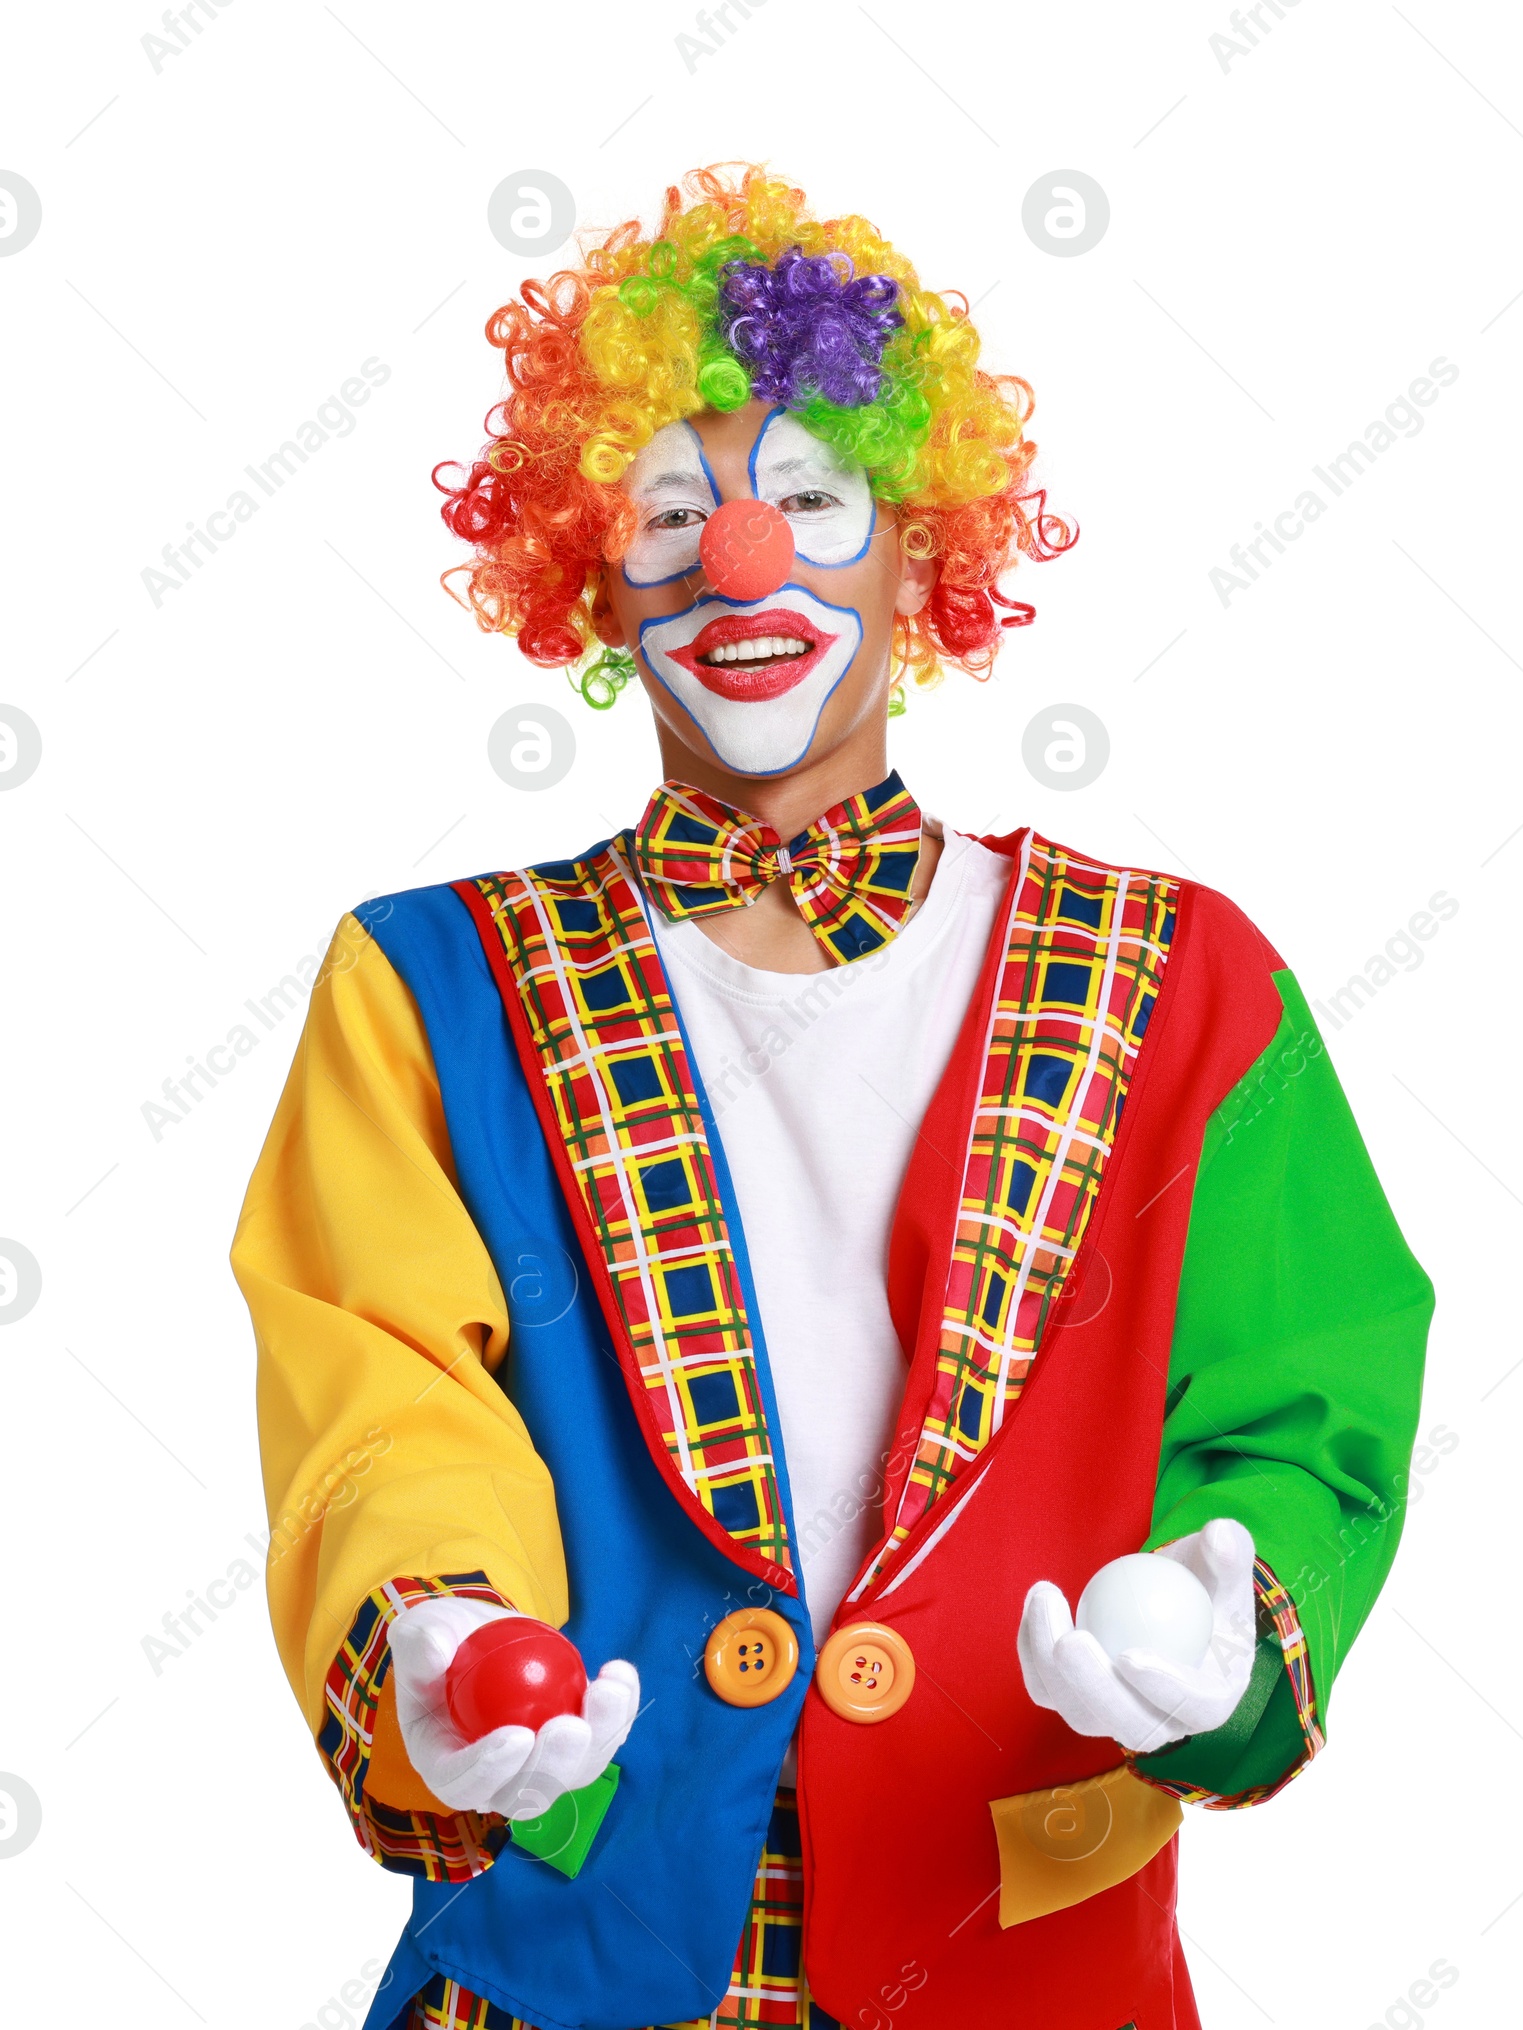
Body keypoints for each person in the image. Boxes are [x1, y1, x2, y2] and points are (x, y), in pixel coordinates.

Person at [233, 165, 1433, 2030]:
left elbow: (1307, 1394)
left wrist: (1230, 1608)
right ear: (585, 576)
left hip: (1023, 1949)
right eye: (669, 514)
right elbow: (381, 1402)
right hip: (577, 1957)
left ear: (920, 552)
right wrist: (442, 1635)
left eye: (811, 500)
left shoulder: (1182, 981)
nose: (743, 565)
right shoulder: (427, 990)